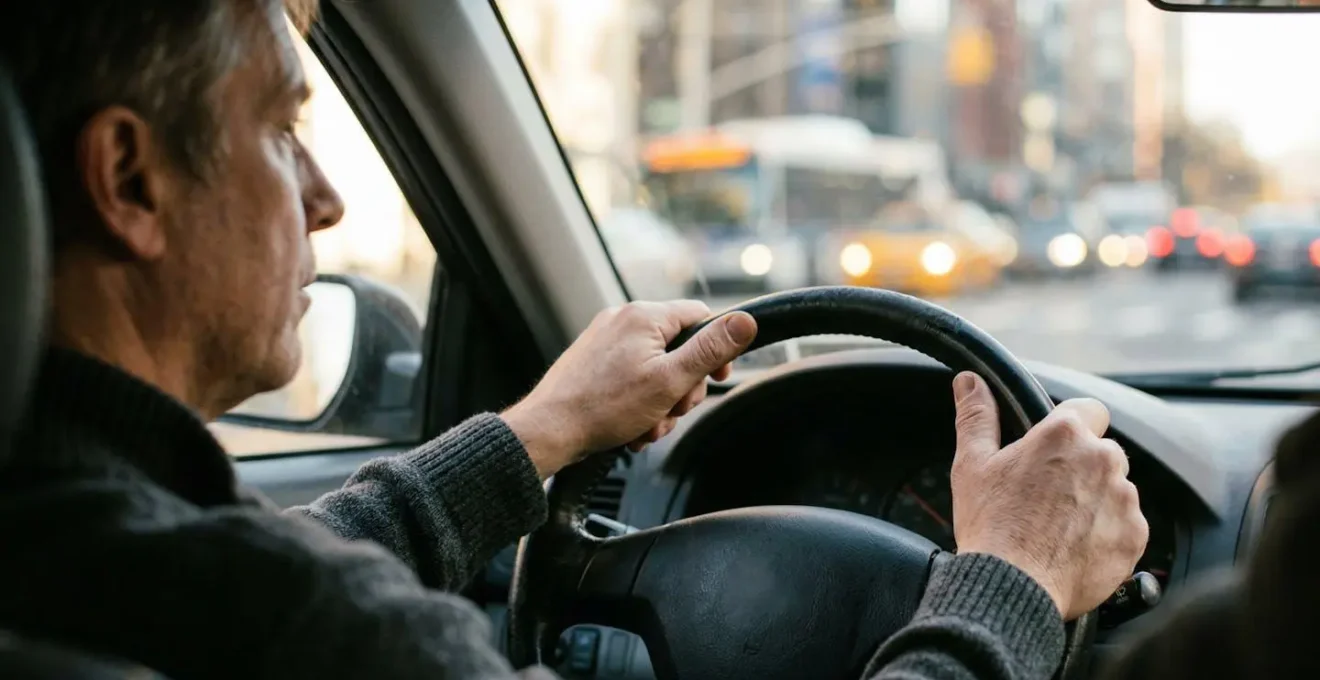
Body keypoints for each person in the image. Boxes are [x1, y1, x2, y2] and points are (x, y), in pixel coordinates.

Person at [0, 1, 1147, 679]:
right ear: (129, 179)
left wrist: (543, 428)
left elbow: (253, 572)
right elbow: (278, 597)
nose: (326, 198)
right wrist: (1007, 585)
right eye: (281, 129)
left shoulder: (88, 553)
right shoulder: (313, 628)